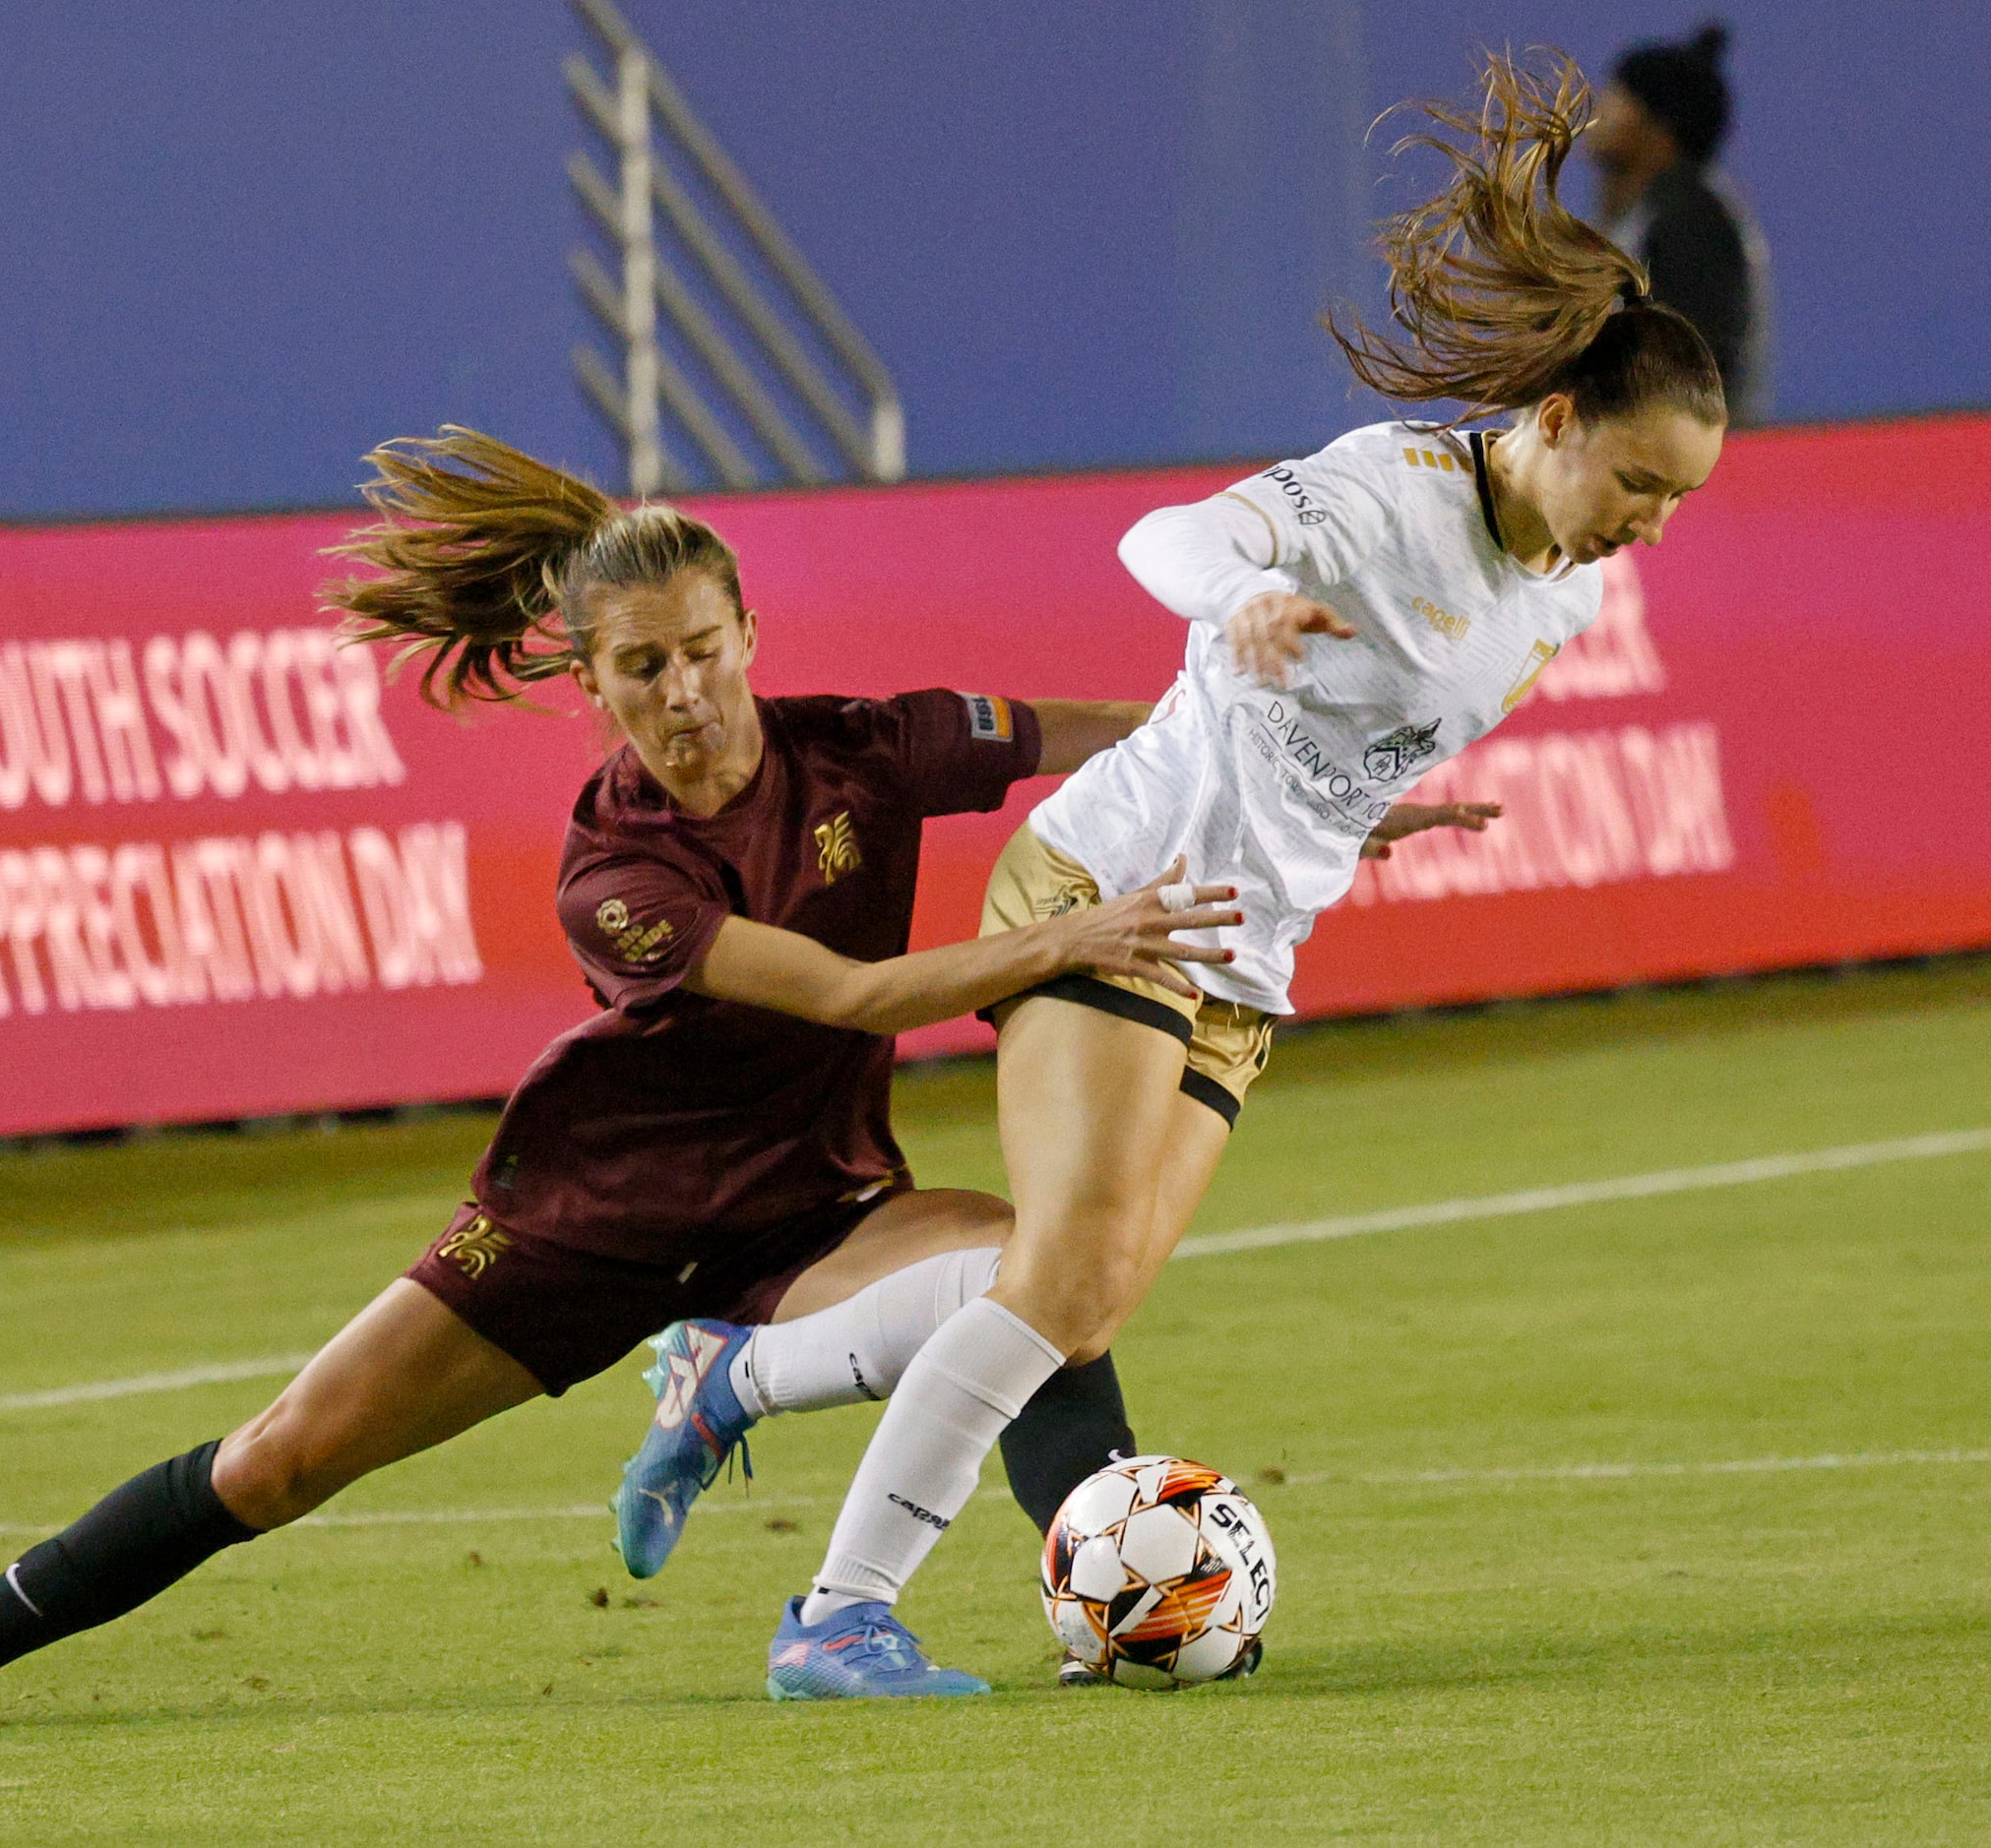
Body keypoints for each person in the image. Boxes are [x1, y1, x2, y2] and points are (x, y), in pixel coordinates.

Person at [0, 428, 1256, 1735]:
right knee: (281, 1457)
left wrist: (1272, 767)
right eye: (642, 667)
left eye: (704, 652)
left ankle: (1100, 1588)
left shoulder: (868, 747)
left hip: (810, 1205)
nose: (684, 692)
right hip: (590, 1216)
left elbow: (1120, 736)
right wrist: (1080, 928)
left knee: (1044, 1274)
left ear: (748, 636)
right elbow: (854, 994)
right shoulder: (617, 872)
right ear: (591, 681)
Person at [689, 49, 1732, 1697]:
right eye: (1638, 483)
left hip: (1246, 953)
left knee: (1074, 1308)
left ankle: (729, 1383)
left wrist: (1358, 814)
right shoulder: (1386, 493)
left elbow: (1347, 731)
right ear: (1548, 423)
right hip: (1117, 882)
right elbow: (1165, 541)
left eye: (1678, 502)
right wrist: (1231, 602)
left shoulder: (1567, 591)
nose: (1651, 526)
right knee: (1067, 1274)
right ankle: (836, 1612)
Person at [1585, 21, 1772, 419]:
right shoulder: (1651, 212)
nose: (1596, 112)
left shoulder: (1689, 217)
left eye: (1616, 99)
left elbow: (1692, 362)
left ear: (1658, 124)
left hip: (1691, 465)